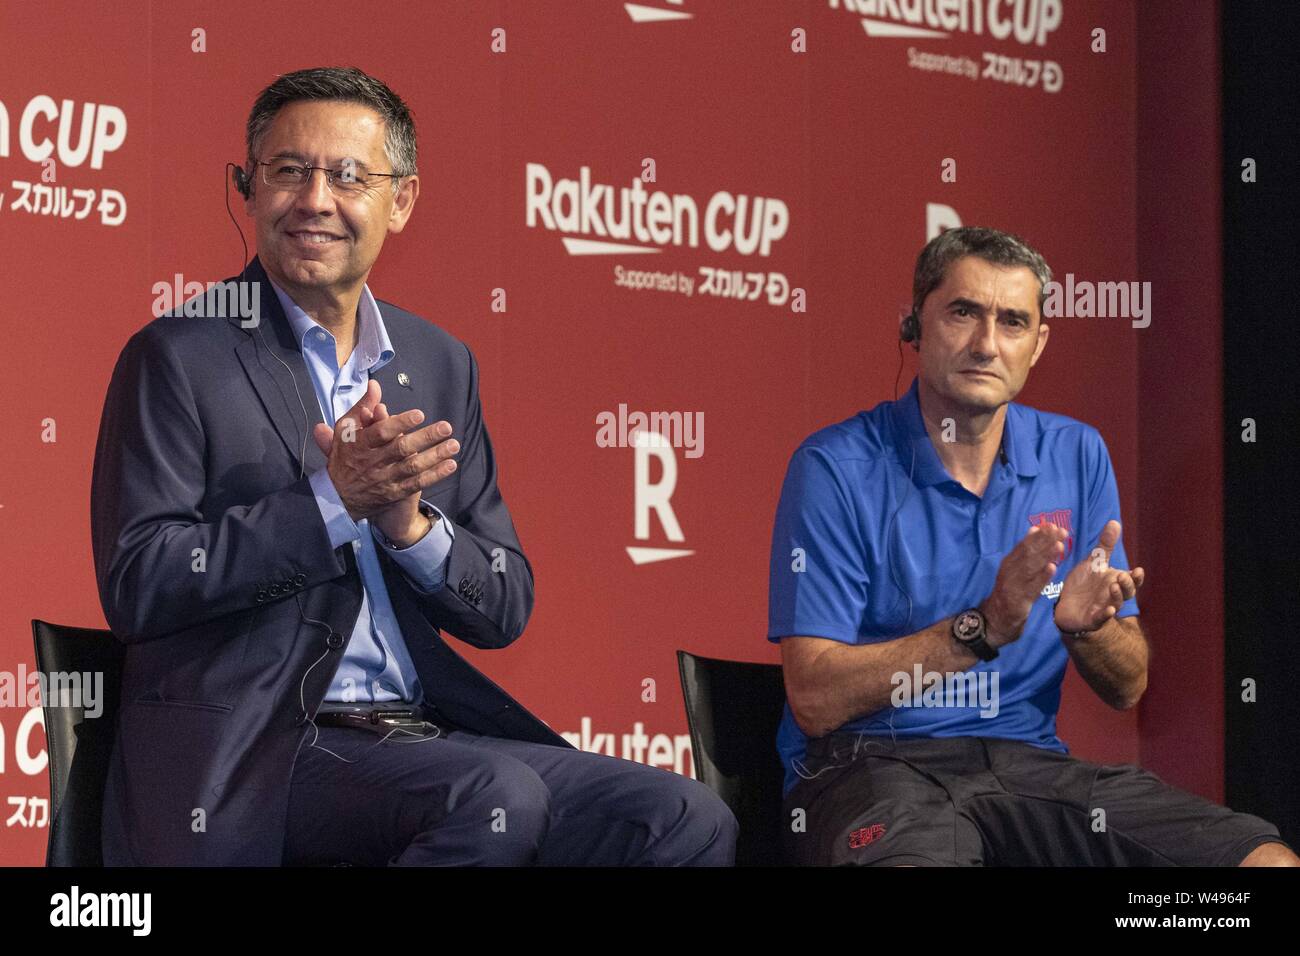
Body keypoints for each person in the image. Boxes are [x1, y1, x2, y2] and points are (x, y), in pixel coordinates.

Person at [91, 66, 736, 866]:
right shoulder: (178, 356)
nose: (316, 199)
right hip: (261, 754)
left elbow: (502, 604)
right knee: (493, 798)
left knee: (682, 814)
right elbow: (140, 583)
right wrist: (332, 501)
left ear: (401, 201)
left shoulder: (439, 363)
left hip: (419, 733)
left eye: (350, 175)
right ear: (246, 189)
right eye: (289, 171)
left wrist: (410, 527)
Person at [767, 226, 1297, 866]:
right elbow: (816, 699)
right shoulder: (835, 466)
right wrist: (980, 628)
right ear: (915, 324)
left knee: (1260, 866)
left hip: (1028, 768)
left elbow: (1128, 687)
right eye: (964, 312)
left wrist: (1087, 630)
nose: (987, 344)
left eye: (1013, 321)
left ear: (1037, 344)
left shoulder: (1076, 454)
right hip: (872, 766)